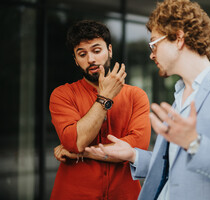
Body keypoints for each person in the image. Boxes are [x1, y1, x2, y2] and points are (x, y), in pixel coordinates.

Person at [86, 0, 210, 200]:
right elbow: (175, 169)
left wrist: (194, 143)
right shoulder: (179, 97)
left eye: (154, 45)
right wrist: (132, 155)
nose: (151, 55)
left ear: (179, 38)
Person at [49, 20, 151, 200]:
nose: (91, 59)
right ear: (75, 60)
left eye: (97, 51)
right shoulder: (62, 95)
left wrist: (83, 152)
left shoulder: (137, 96)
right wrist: (105, 98)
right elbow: (77, 141)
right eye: (82, 54)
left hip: (124, 195)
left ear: (109, 50)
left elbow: (137, 147)